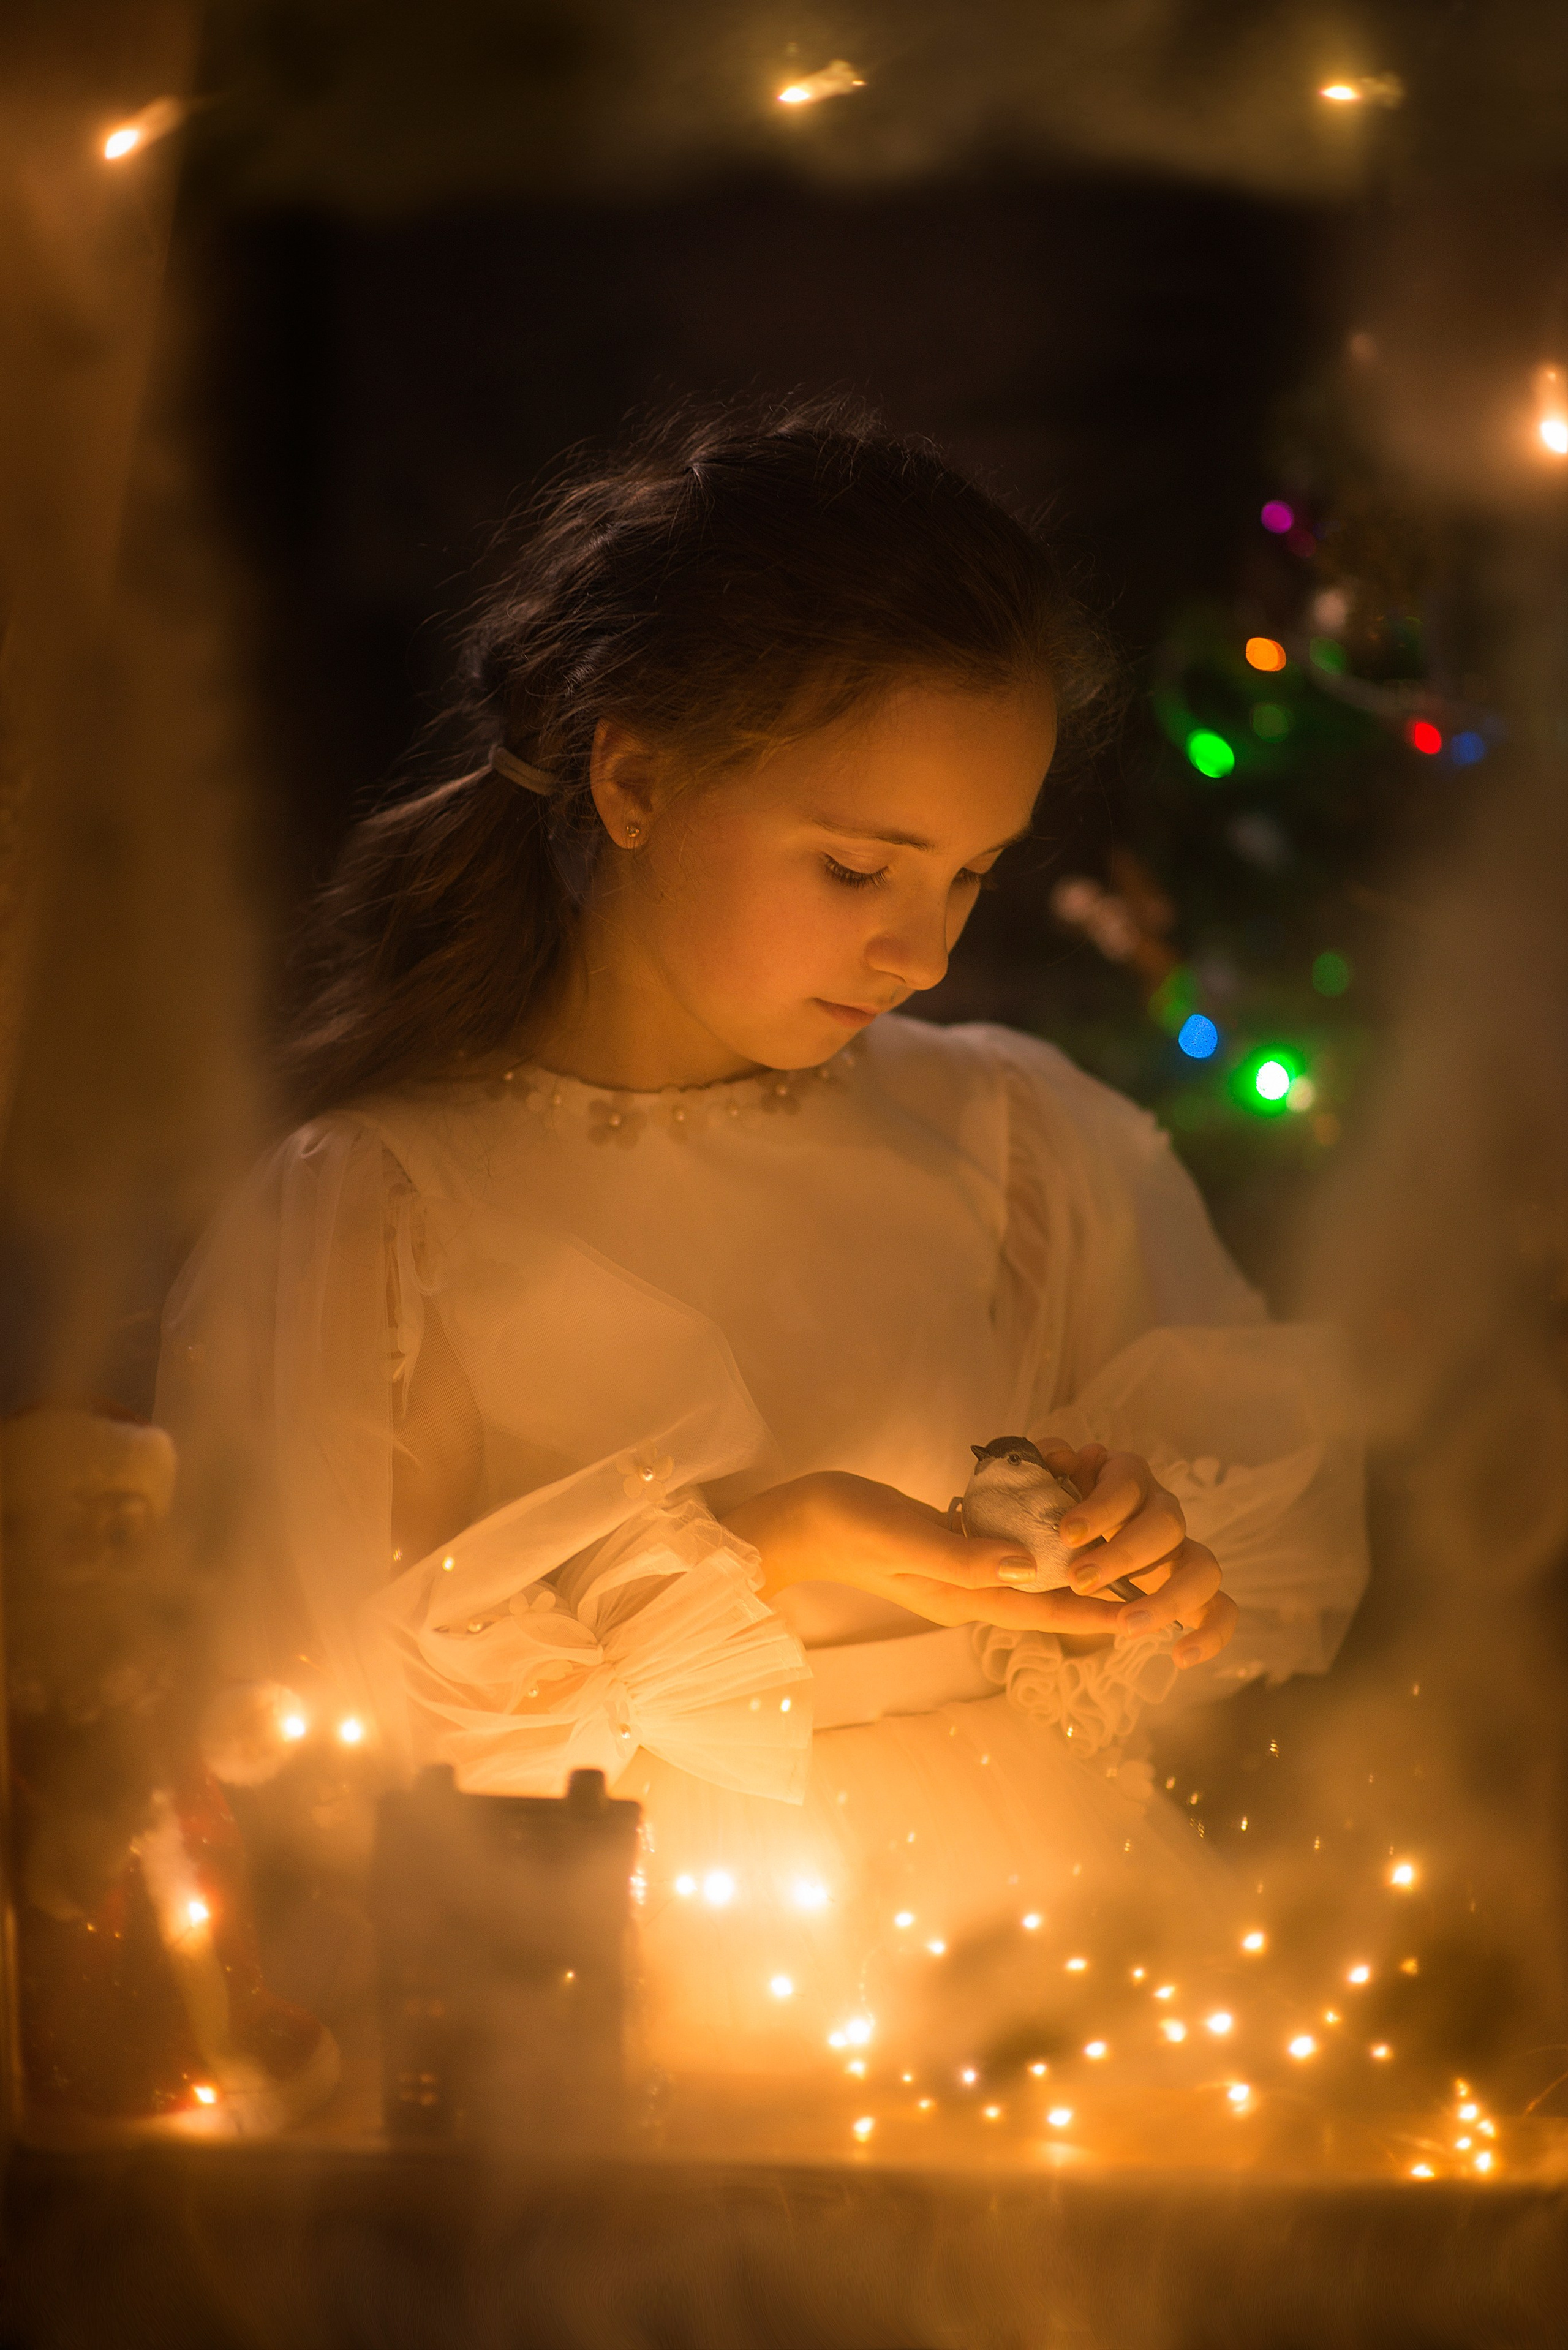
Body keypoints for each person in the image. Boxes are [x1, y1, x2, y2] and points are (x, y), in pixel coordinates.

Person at [158, 404, 1366, 2078]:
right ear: (633, 774)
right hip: (605, 2024)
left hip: (1035, 1972)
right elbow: (324, 1743)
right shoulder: (388, 1213)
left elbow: (1236, 1573)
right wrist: (766, 1543)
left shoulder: (1014, 1145)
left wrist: (1137, 1564)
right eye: (860, 866)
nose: (923, 950)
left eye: (971, 877)